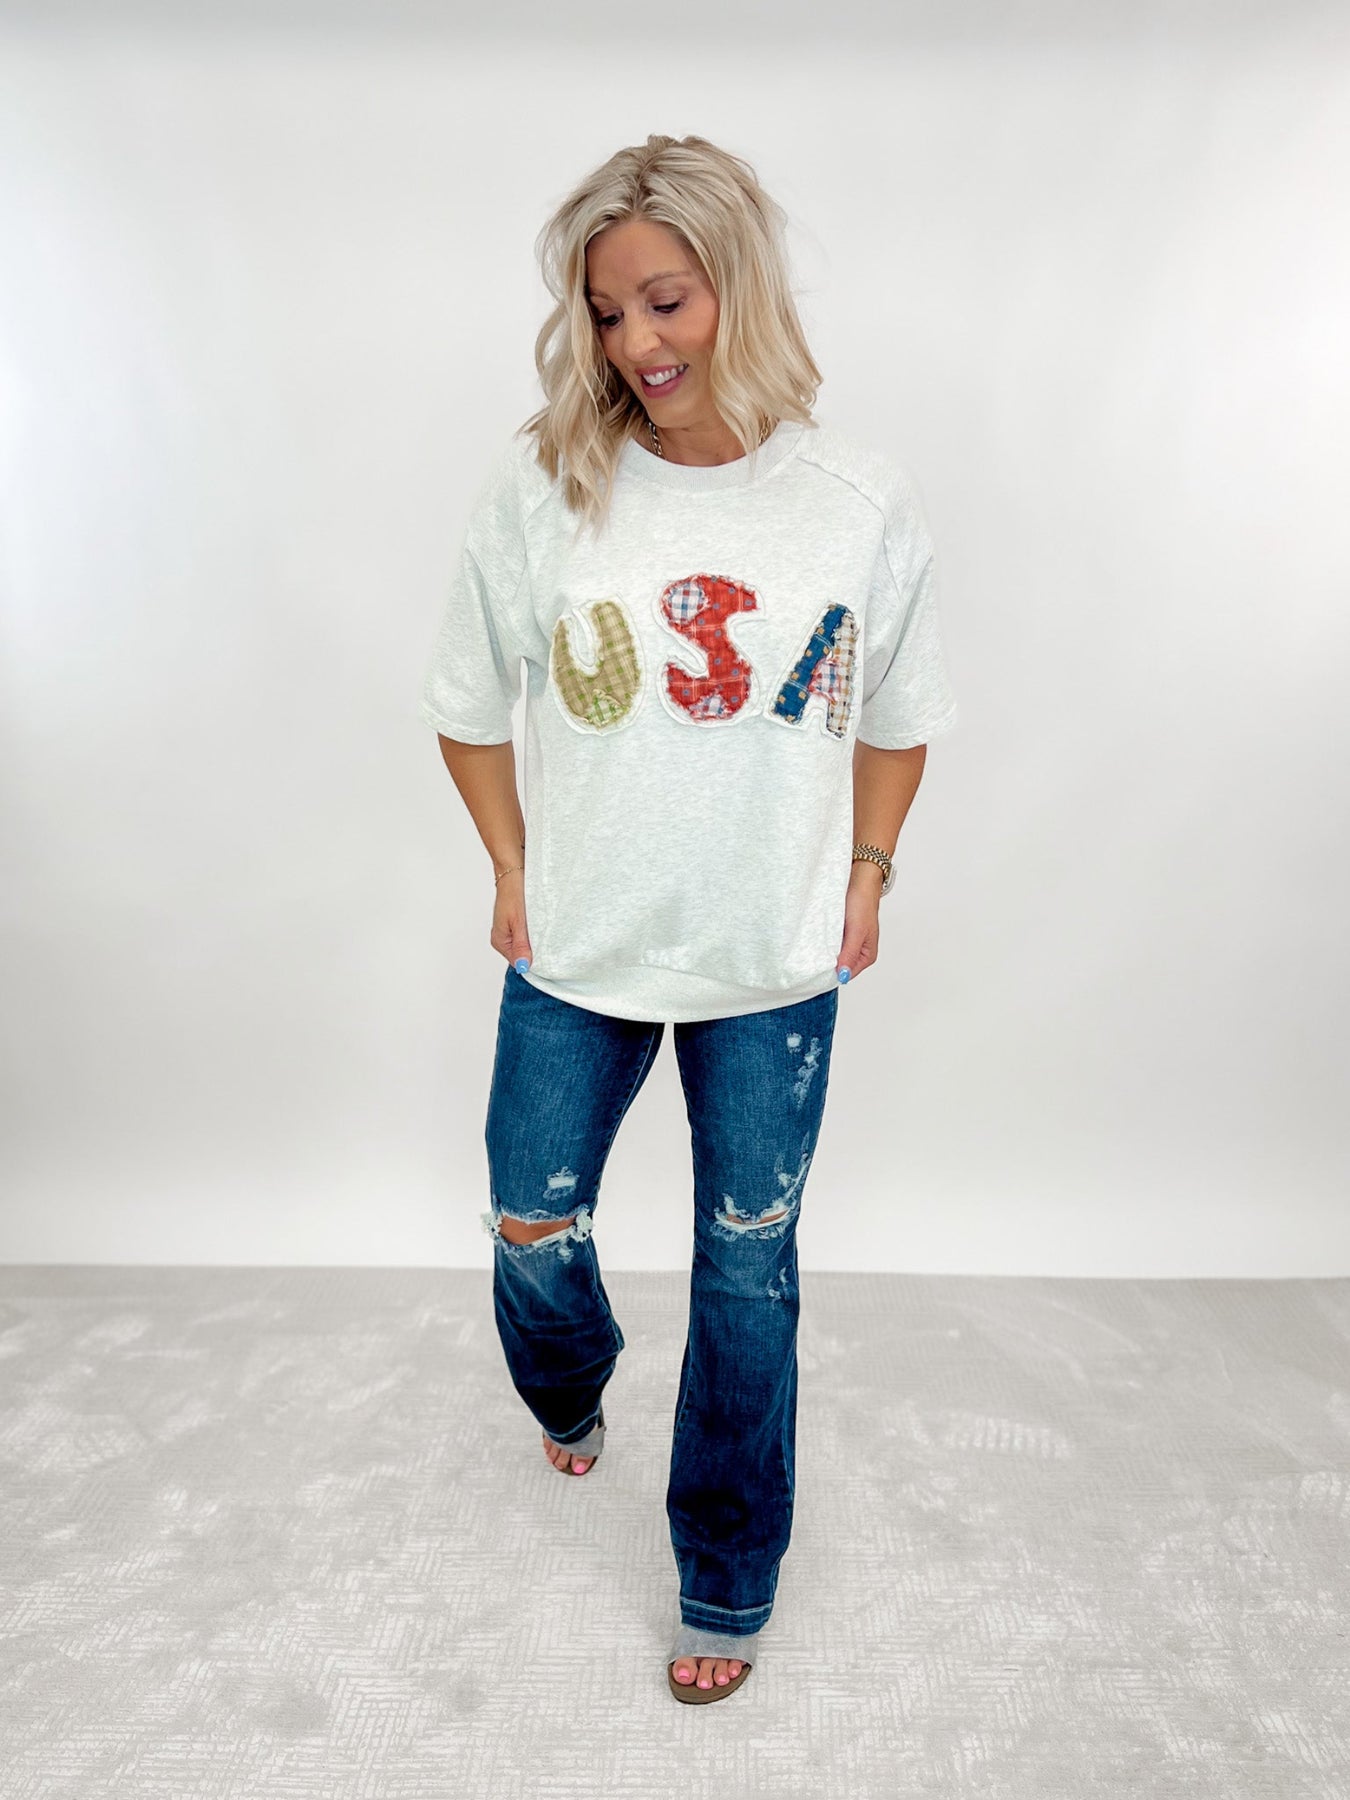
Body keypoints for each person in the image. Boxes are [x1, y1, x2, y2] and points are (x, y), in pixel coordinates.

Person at [419, 133, 957, 1705]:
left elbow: (899, 715)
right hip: (577, 947)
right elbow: (465, 705)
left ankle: (724, 1577)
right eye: (604, 313)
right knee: (529, 1224)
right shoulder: (545, 485)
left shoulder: (854, 498)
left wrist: (867, 873)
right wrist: (510, 869)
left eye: (666, 300)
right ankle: (571, 1386)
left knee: (745, 1266)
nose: (635, 344)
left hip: (769, 957)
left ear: (740, 286)